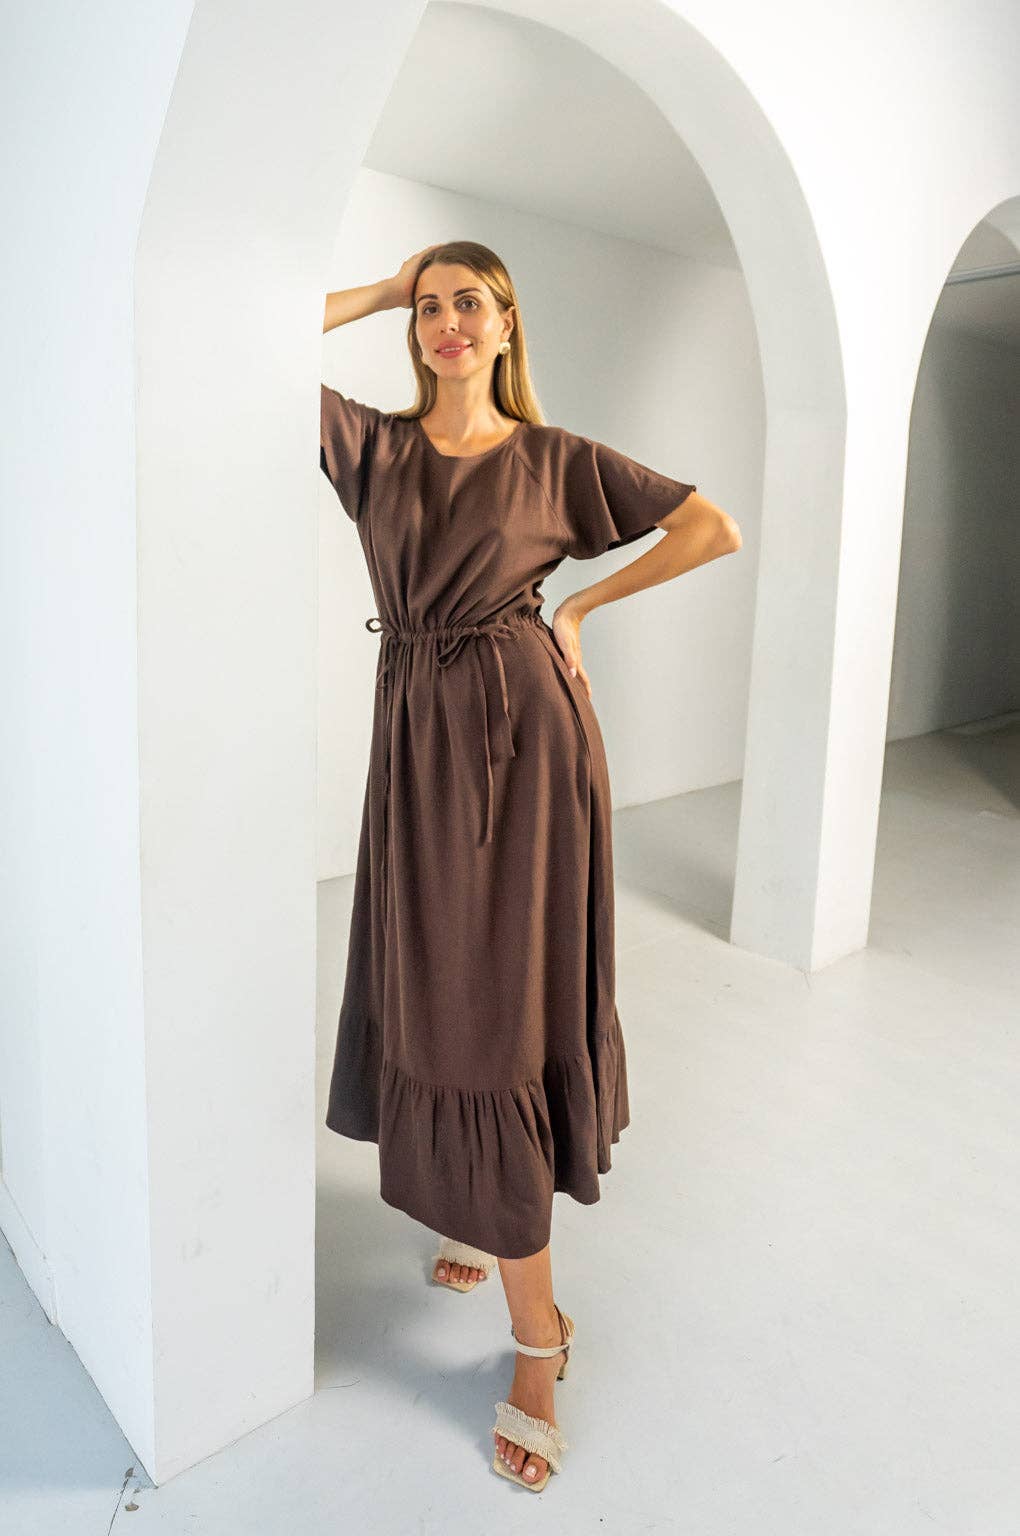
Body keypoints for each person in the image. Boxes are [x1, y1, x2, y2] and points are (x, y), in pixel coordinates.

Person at [321, 241, 741, 1490]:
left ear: (509, 325)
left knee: (494, 1004)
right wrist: (383, 284)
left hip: (522, 743)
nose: (447, 322)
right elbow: (241, 340)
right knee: (431, 977)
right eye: (429, 306)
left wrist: (577, 610)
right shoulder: (376, 448)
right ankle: (469, 1199)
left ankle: (540, 1338)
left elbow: (709, 525)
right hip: (416, 739)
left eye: (471, 304)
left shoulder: (555, 461)